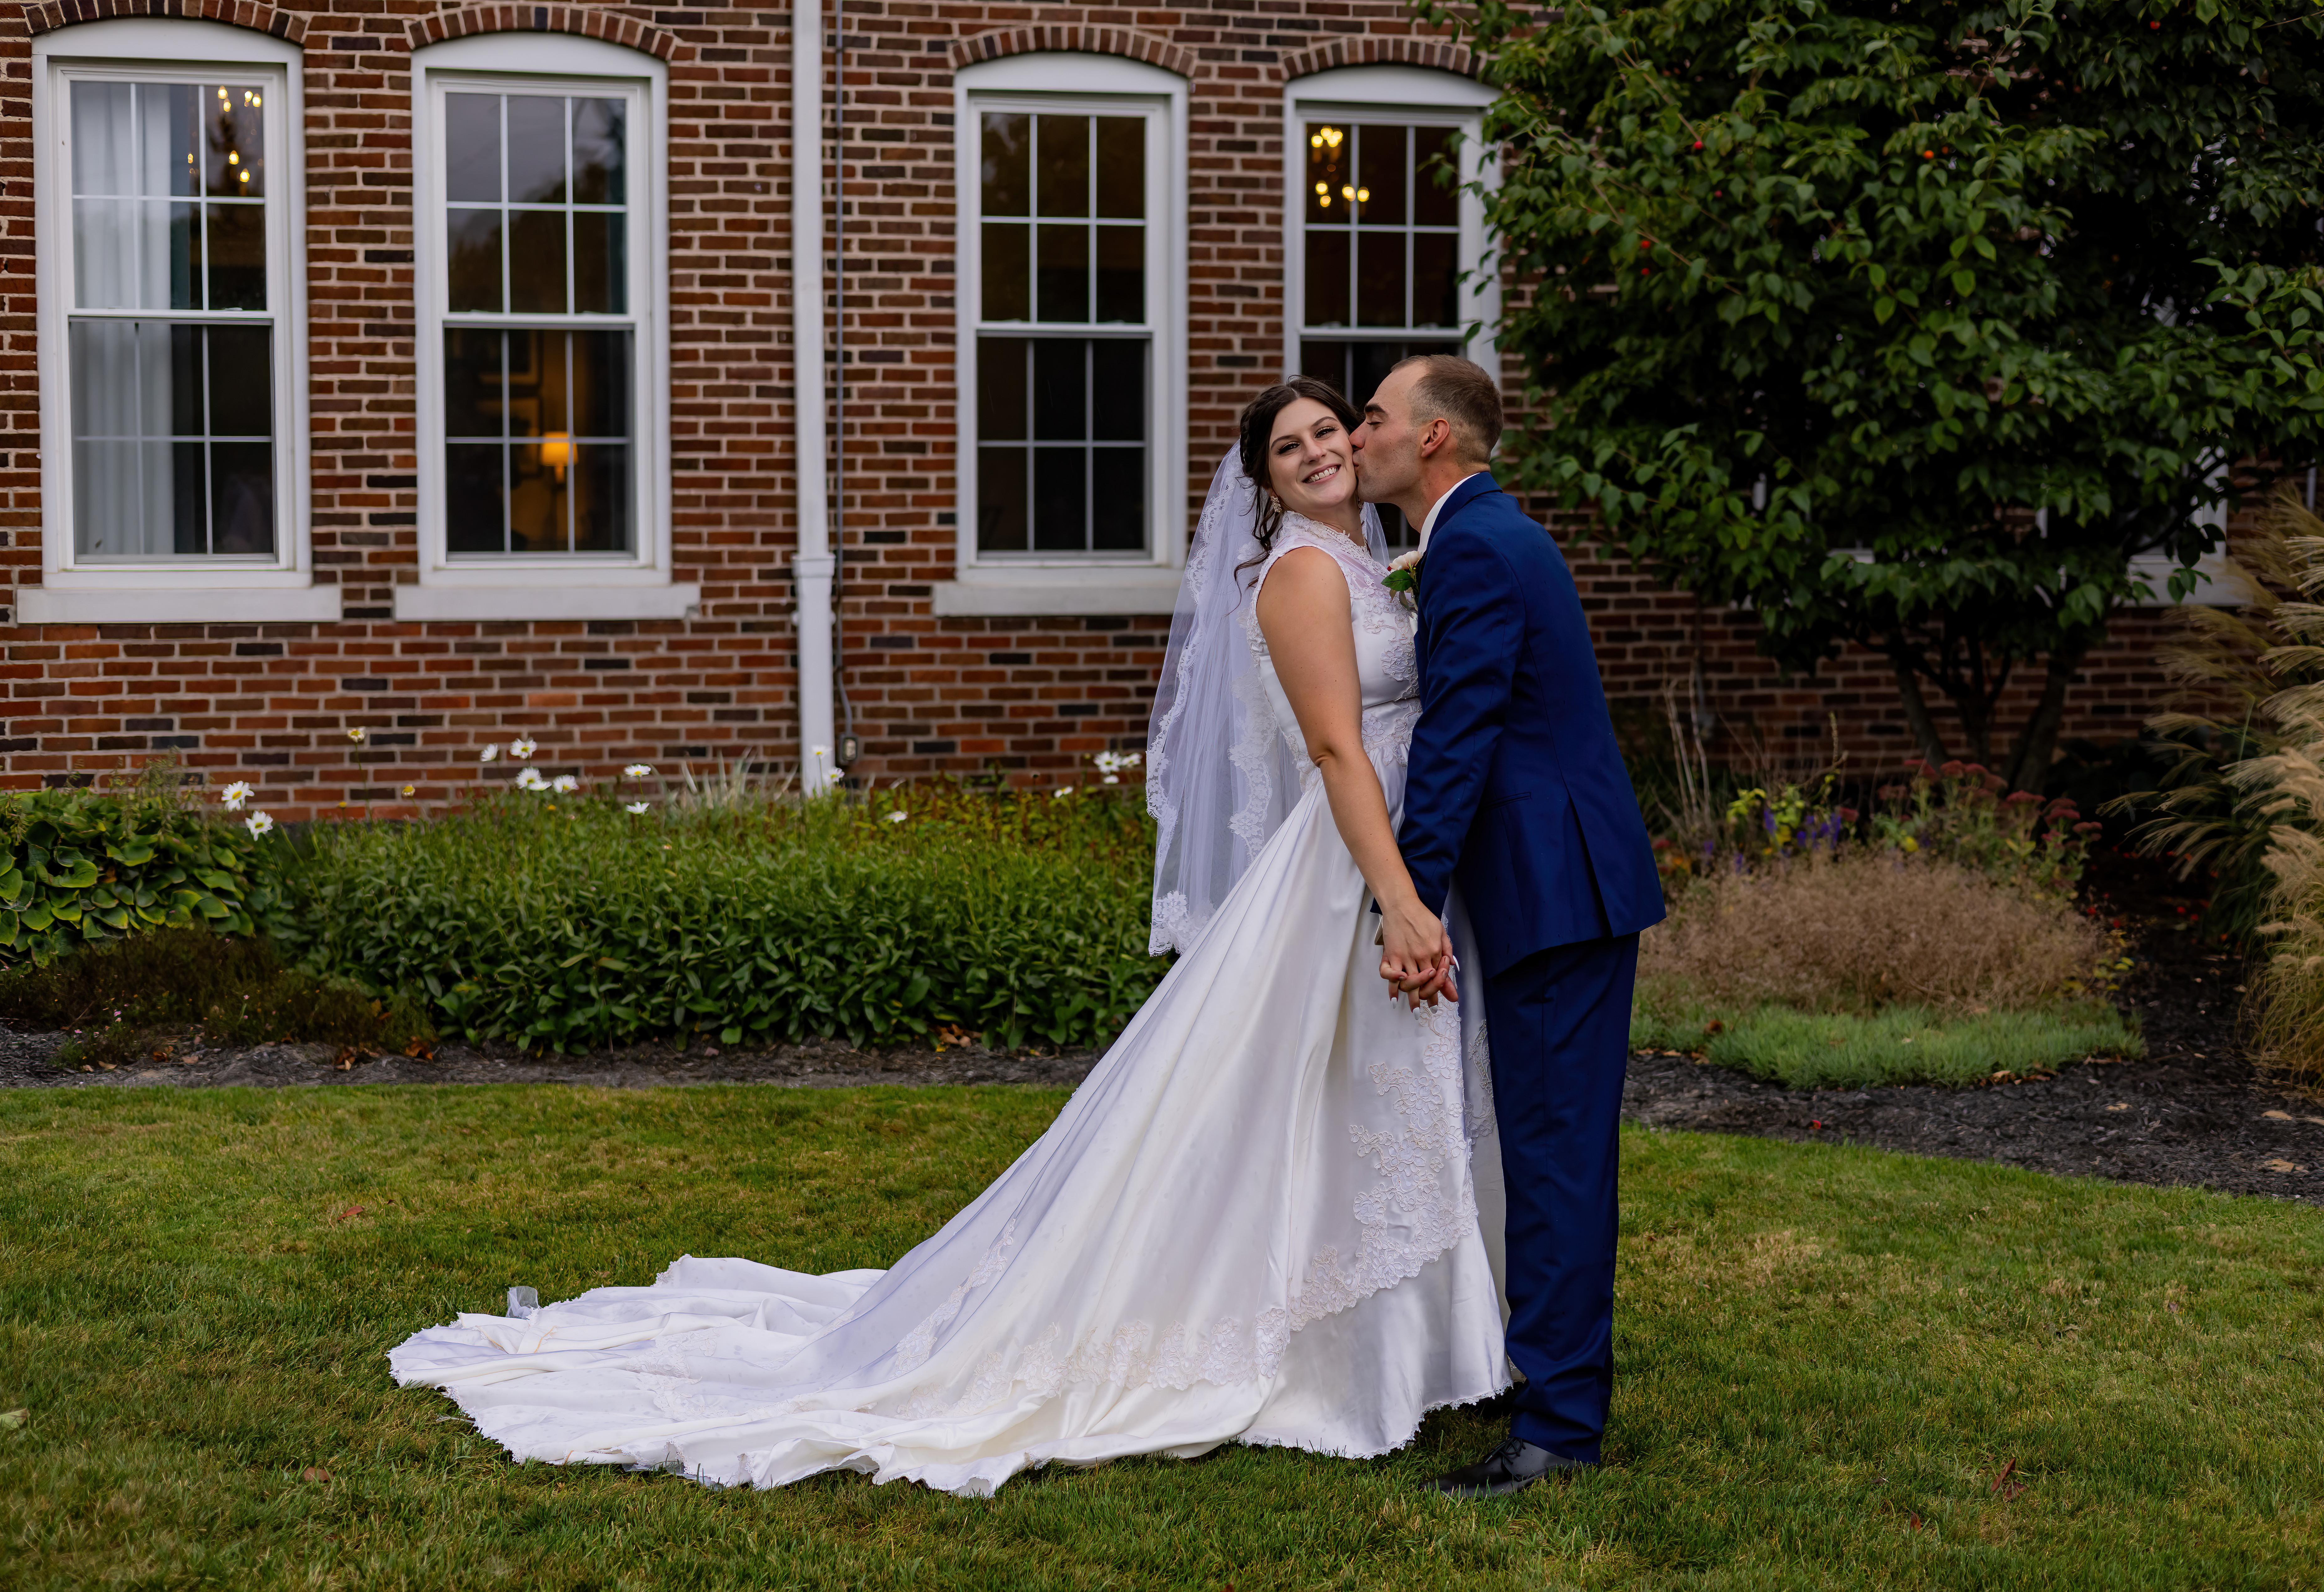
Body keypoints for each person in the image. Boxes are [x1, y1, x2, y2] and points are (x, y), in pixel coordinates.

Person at [387, 375, 1513, 1497]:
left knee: (1360, 1099)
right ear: (1263, 484)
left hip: (1392, 846)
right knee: (1342, 1094)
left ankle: (1412, 1342)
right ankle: (1348, 1353)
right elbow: (1335, 751)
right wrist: (1399, 898)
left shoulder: (1374, 562)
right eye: (1289, 448)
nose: (1319, 451)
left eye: (1329, 431)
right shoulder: (1304, 573)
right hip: (1350, 864)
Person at [1351, 355, 1667, 1499]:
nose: (1360, 433)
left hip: (1552, 889)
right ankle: (1545, 1380)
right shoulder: (1486, 536)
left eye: (1378, 417)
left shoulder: (1475, 545)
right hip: (1560, 880)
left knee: (1553, 1159)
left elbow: (1463, 733)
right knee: (1548, 1150)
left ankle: (1561, 1427)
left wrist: (1412, 897)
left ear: (1434, 438)